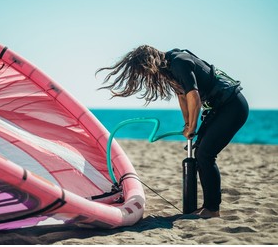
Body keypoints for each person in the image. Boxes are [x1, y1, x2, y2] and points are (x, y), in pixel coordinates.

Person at [96, 45, 249, 218]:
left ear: (150, 62)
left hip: (232, 106)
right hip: (220, 107)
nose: (146, 77)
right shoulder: (169, 68)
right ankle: (209, 207)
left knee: (205, 154)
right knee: (200, 153)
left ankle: (212, 209)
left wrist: (193, 127)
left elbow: (194, 96)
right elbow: (182, 95)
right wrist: (187, 124)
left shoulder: (179, 63)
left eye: (144, 71)